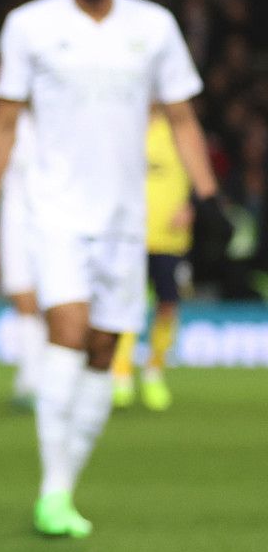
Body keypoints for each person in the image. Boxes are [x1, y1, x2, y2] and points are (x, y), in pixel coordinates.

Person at [0, 0, 227, 538]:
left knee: (106, 350)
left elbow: (183, 118)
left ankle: (65, 485)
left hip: (125, 219)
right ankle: (51, 492)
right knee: (68, 333)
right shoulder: (30, 26)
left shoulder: (153, 26)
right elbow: (3, 122)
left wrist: (210, 198)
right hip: (55, 211)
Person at [110, 107, 196, 410]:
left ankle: (154, 369)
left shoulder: (180, 130)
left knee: (167, 304)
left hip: (169, 239)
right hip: (130, 235)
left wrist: (192, 205)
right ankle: (120, 373)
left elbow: (200, 170)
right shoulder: (124, 127)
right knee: (126, 304)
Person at [0, 110, 44, 411]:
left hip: (58, 220)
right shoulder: (11, 120)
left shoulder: (67, 115)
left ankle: (46, 379)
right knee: (23, 298)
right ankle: (31, 378)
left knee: (56, 302)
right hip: (16, 220)